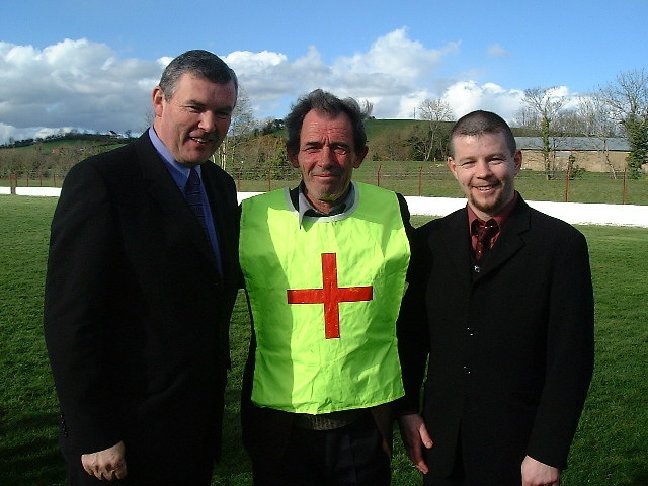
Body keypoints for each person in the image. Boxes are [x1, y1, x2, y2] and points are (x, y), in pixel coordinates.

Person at [44, 50, 240, 485]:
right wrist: (94, 432)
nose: (209, 125)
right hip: (122, 440)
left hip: (194, 429)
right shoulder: (103, 181)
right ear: (159, 100)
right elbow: (70, 319)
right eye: (196, 107)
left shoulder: (220, 187)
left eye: (222, 112)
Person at [396, 109, 594, 486]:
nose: (482, 173)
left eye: (495, 158)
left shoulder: (561, 246)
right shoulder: (429, 243)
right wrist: (406, 410)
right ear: (453, 167)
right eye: (469, 161)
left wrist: (547, 451)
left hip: (518, 452)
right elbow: (410, 338)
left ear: (516, 161)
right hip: (441, 446)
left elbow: (572, 358)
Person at [238, 89, 412, 485]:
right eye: (313, 146)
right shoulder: (252, 218)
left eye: (340, 147)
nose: (326, 160)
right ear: (293, 155)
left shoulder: (392, 211)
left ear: (359, 155)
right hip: (278, 428)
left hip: (364, 427)